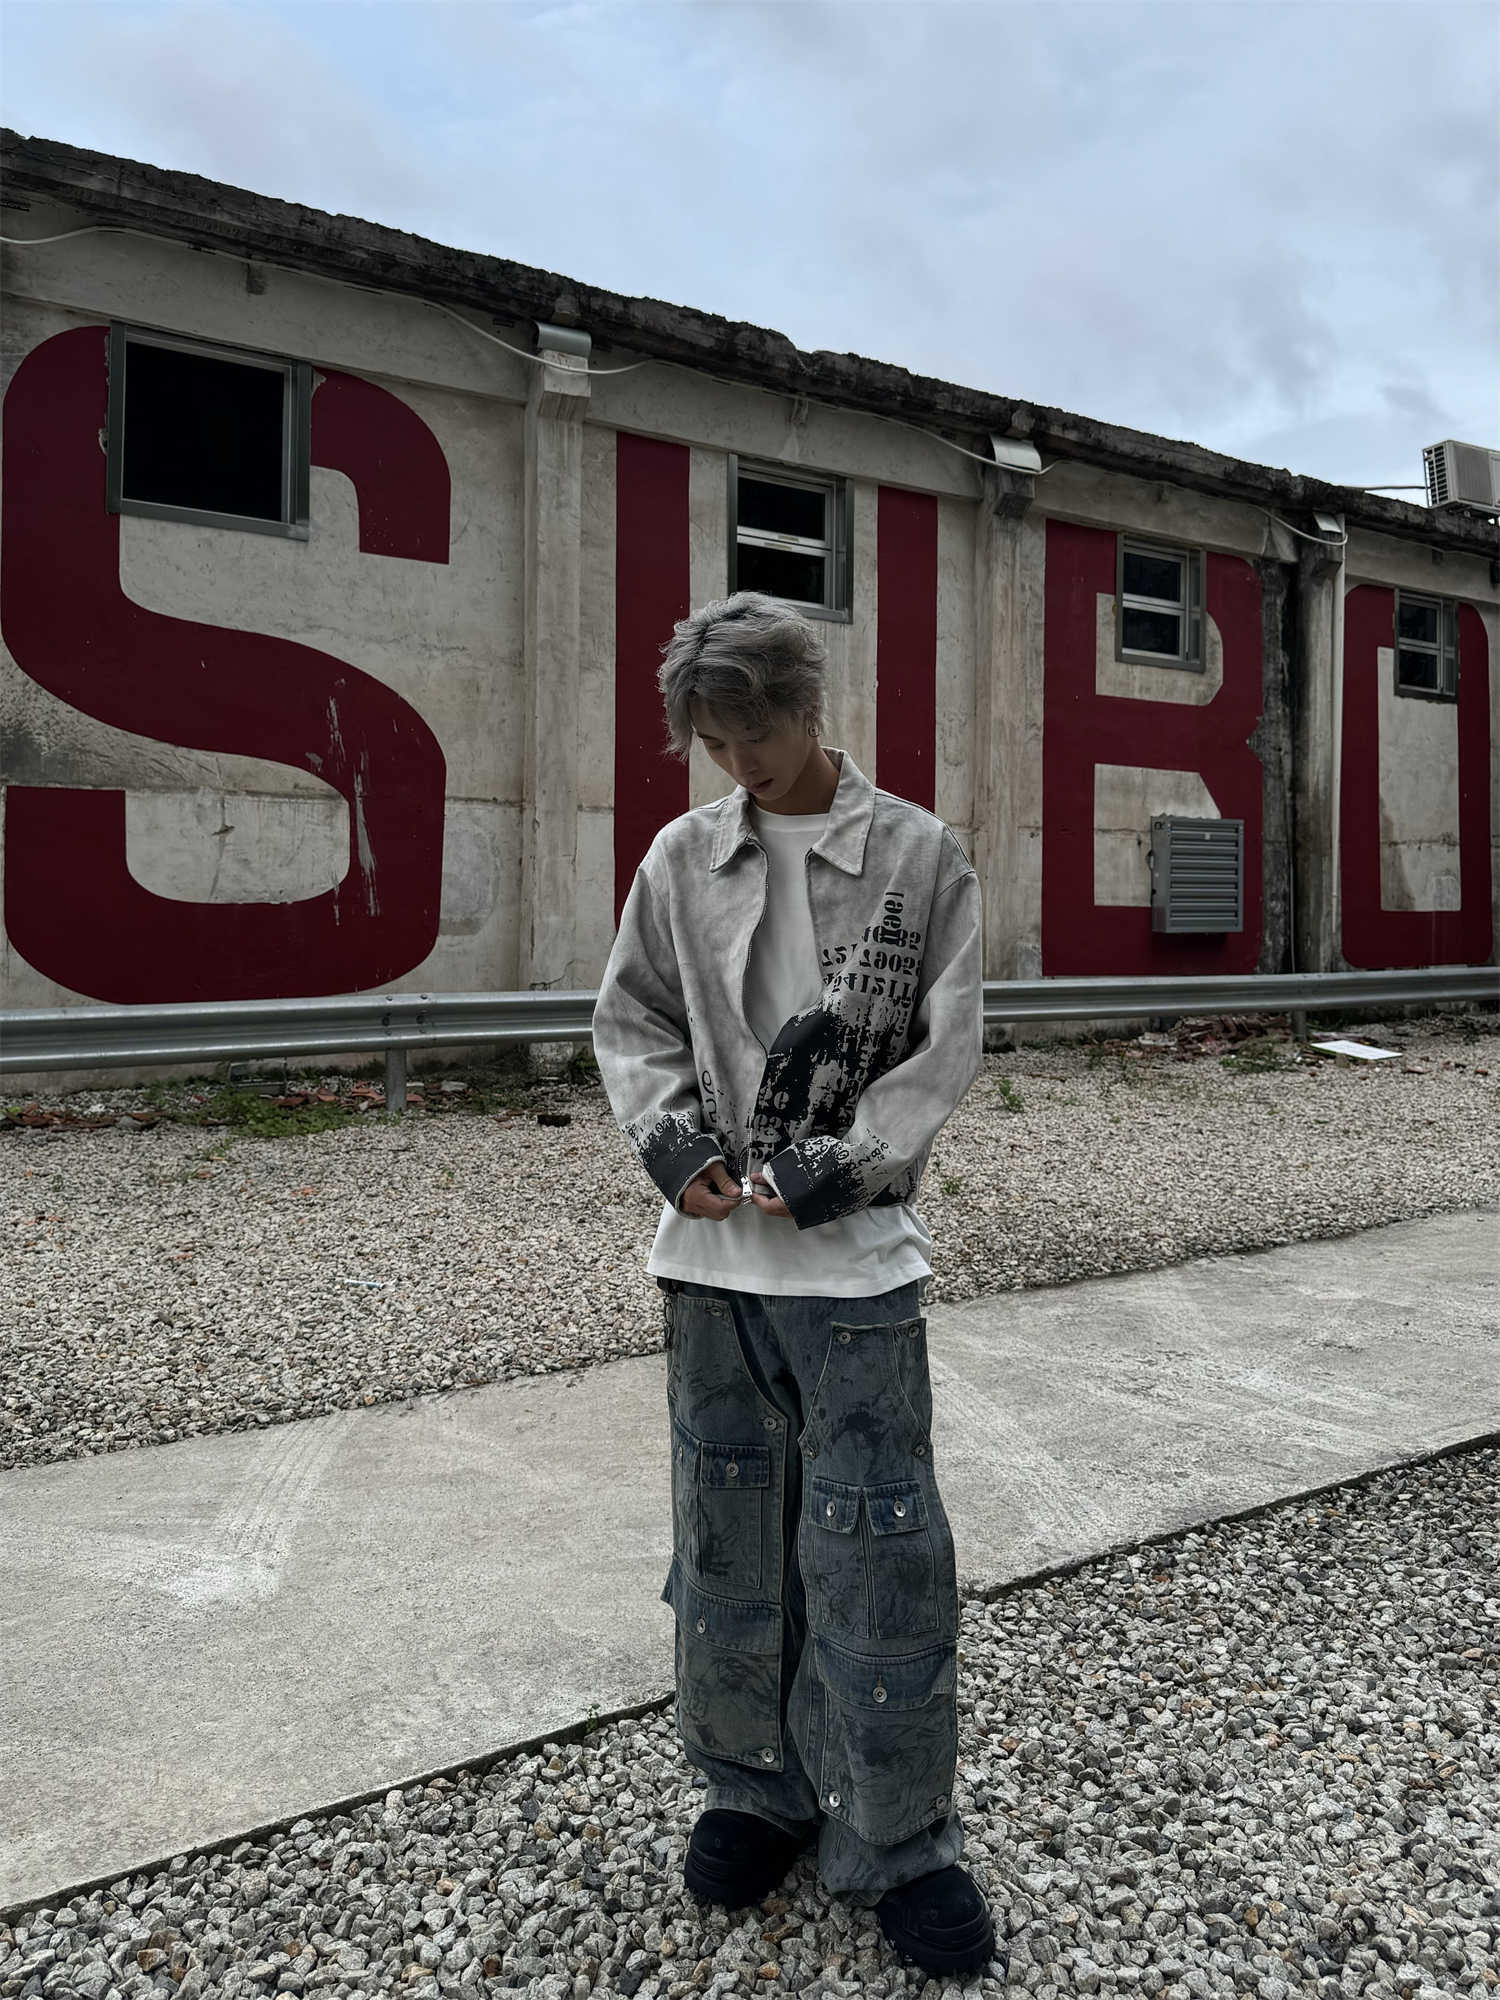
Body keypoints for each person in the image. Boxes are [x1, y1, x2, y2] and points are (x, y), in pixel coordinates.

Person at [591, 591, 999, 1978]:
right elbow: (633, 1016)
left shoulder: (921, 855)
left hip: (860, 1269)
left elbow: (950, 1041)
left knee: (879, 1546)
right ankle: (752, 1793)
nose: (738, 765)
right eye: (713, 740)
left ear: (808, 706)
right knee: (724, 1535)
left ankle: (897, 1842)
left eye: (753, 733)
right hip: (709, 1266)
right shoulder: (680, 858)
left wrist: (849, 1163)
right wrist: (673, 1144)